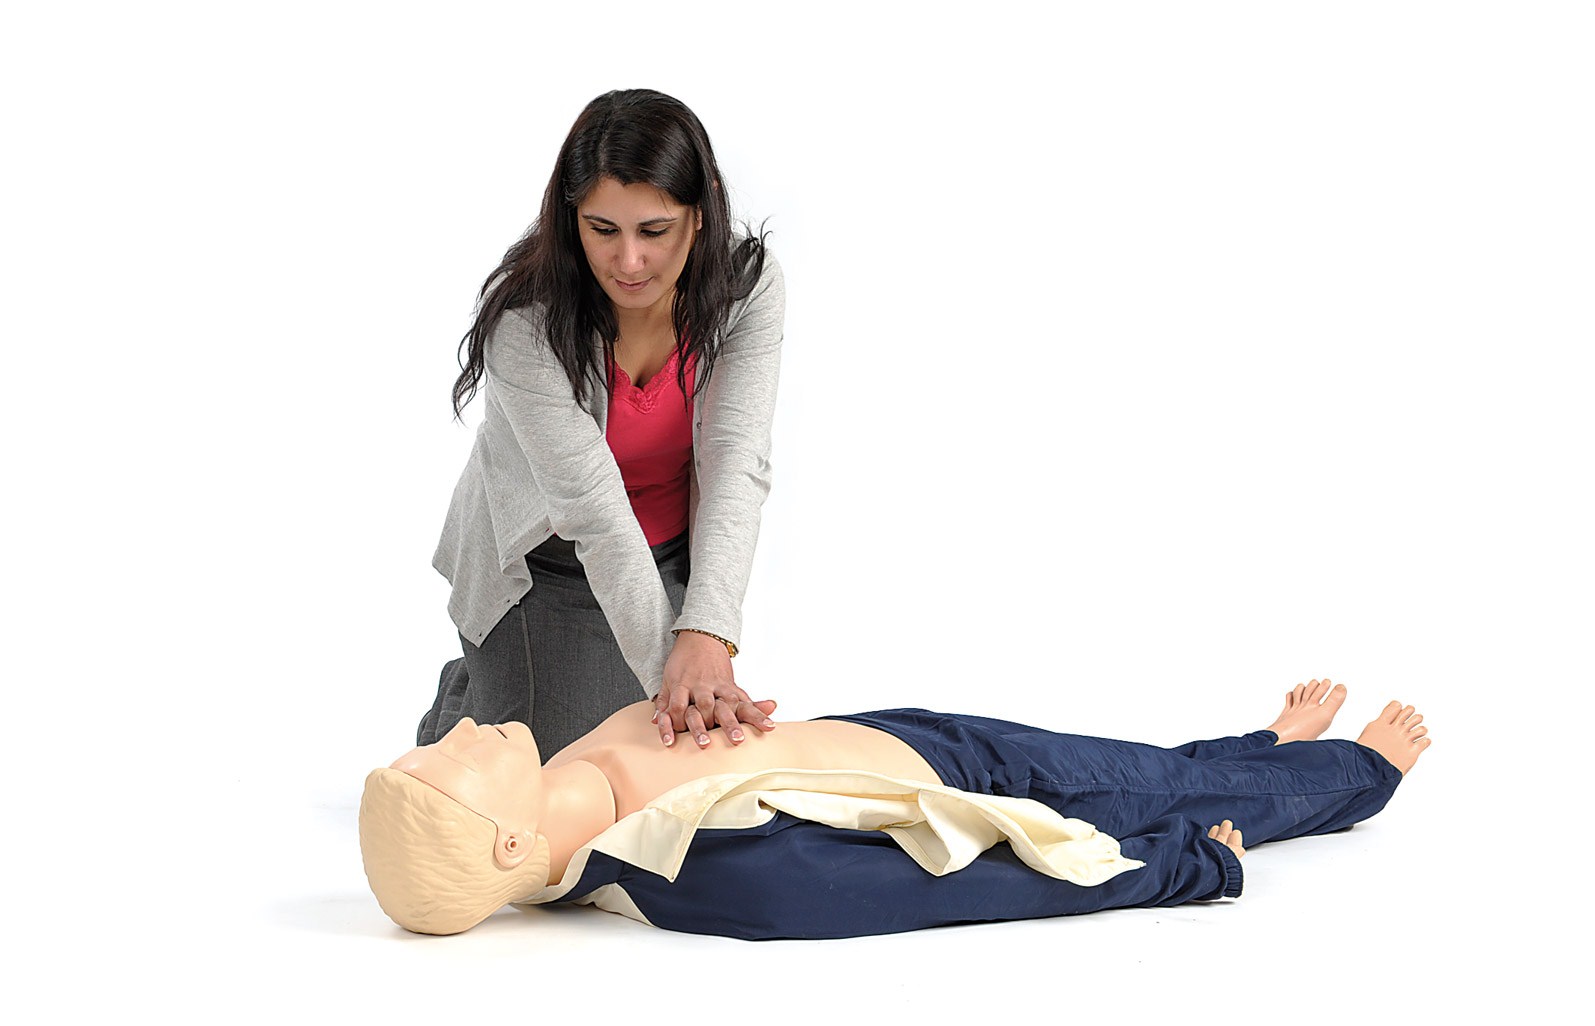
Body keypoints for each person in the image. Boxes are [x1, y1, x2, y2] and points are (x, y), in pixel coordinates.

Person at [362, 679, 1430, 939]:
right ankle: (1353, 775)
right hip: (967, 788)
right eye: (450, 762)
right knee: (1146, 793)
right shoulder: (690, 869)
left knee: (1133, 761)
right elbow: (934, 889)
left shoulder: (566, 773)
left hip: (892, 731)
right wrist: (1181, 867)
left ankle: (1254, 751)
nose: (462, 730)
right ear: (509, 841)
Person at [419, 88, 786, 758]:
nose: (629, 262)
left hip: (665, 554)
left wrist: (706, 632)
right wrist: (677, 690)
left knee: (671, 758)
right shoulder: (525, 322)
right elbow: (591, 509)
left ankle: (510, 684)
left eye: (654, 231)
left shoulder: (746, 286)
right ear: (572, 219)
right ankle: (471, 697)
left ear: (701, 211)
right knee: (555, 769)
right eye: (603, 230)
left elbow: (737, 460)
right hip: (547, 565)